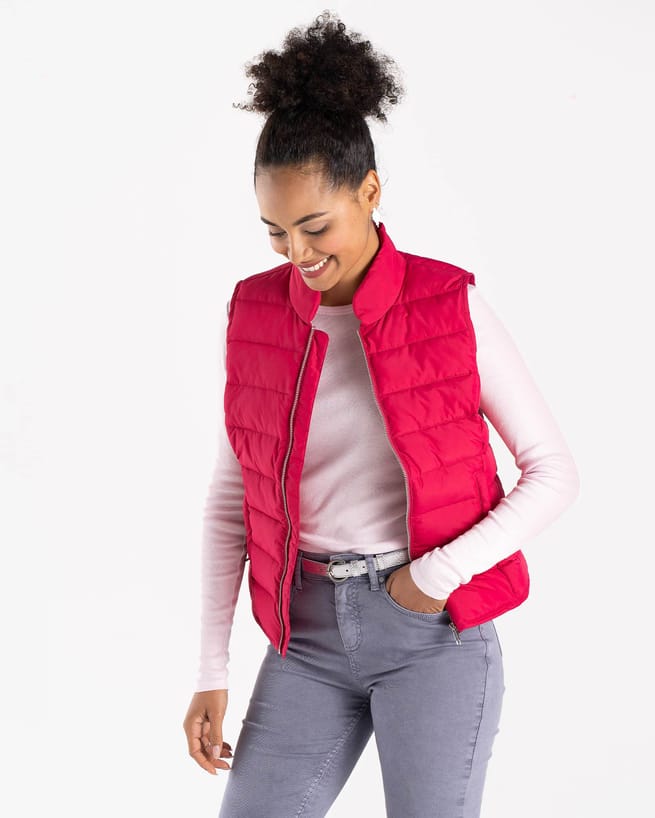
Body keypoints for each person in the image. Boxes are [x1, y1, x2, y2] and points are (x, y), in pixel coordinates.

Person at [182, 11, 580, 818]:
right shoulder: (253, 313)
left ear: (368, 191)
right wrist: (210, 670)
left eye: (315, 226)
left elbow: (552, 473)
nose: (298, 253)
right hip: (303, 636)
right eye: (275, 232)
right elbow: (231, 499)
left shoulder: (448, 304)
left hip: (431, 636)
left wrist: (430, 580)